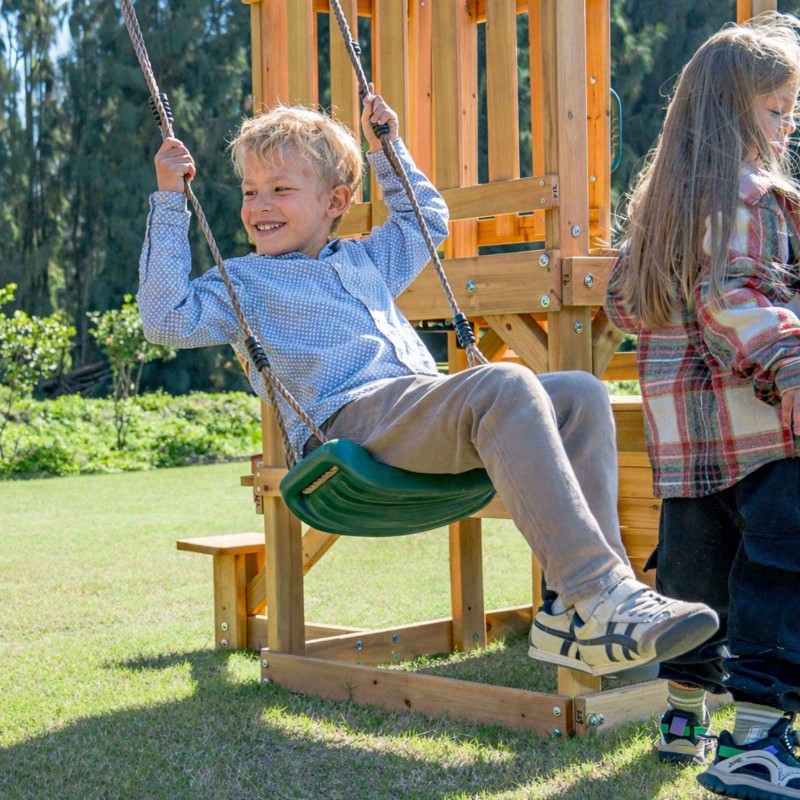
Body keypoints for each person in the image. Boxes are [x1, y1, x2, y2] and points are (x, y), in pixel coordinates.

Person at [138, 84, 717, 679]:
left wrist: (387, 148)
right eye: (250, 192)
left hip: (413, 412)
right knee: (506, 385)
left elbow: (426, 216)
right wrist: (168, 200)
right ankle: (601, 593)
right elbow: (165, 317)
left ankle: (571, 609)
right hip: (346, 431)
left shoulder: (365, 259)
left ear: (336, 200)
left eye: (281, 189)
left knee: (580, 393)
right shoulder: (246, 282)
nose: (260, 205)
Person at [607, 13, 800, 799]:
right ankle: (757, 739)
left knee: (694, 589)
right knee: (777, 577)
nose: (788, 127)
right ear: (732, 113)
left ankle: (683, 718)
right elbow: (732, 296)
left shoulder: (663, 210)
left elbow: (626, 305)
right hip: (763, 437)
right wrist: (792, 359)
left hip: (686, 453)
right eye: (777, 111)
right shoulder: (750, 196)